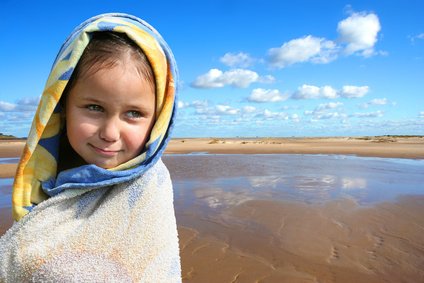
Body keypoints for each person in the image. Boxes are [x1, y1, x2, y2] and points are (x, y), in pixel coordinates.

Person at [0, 13, 181, 282]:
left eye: (133, 113)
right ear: (61, 105)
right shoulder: (39, 181)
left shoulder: (150, 189)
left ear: (158, 119)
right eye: (94, 108)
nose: (109, 134)